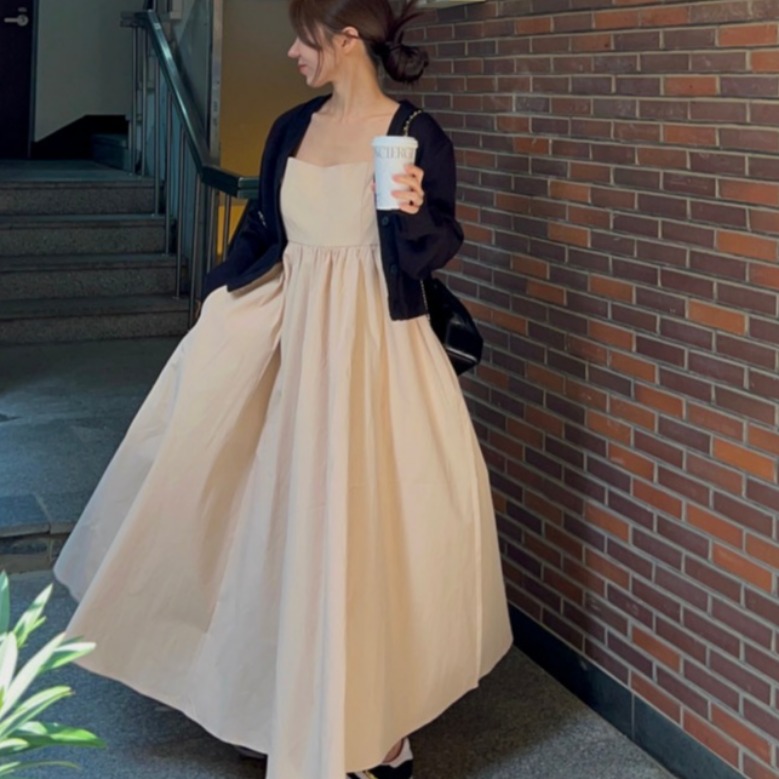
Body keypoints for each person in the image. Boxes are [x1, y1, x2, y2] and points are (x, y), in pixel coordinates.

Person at [53, 1, 512, 778]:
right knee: (273, 524)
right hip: (292, 345)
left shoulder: (415, 134)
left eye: (303, 38)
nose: (293, 54)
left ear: (345, 39)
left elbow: (431, 248)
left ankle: (371, 726)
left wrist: (408, 212)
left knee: (369, 531)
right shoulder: (291, 128)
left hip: (377, 356)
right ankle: (278, 700)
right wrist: (220, 299)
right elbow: (263, 230)